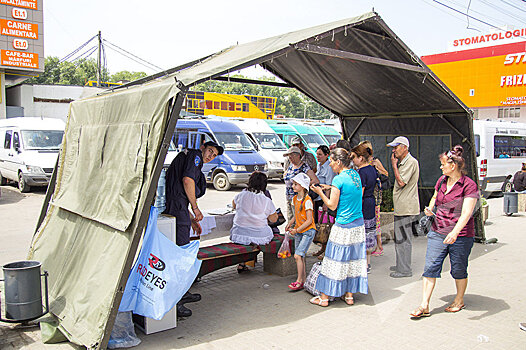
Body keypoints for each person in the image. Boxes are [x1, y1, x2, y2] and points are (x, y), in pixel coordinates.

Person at [410, 145, 478, 318]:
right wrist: (430, 207)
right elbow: (435, 196)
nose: (440, 167)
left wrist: (454, 232)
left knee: (458, 269)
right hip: (437, 231)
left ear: (453, 165)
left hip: (461, 235)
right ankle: (424, 304)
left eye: (443, 164)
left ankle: (459, 299)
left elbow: (467, 213)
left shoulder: (468, 185)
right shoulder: (441, 181)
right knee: (430, 267)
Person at [164, 140, 224, 317]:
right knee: (180, 254)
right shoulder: (195, 156)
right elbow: (187, 180)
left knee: (180, 250)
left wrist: (190, 218)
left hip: (177, 207)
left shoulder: (189, 157)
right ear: (203, 147)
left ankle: (182, 293)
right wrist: (195, 208)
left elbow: (180, 193)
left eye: (214, 155)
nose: (210, 156)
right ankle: (177, 301)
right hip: (176, 207)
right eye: (210, 151)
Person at [309, 148, 368, 307]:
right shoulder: (355, 175)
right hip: (358, 225)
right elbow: (350, 193)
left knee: (333, 260)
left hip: (343, 225)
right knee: (351, 260)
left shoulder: (338, 179)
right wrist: (330, 187)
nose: (330, 165)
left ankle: (324, 298)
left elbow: (331, 205)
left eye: (332, 162)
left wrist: (320, 192)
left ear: (339, 162)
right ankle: (349, 296)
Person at [230, 172, 278, 272]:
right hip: (259, 234)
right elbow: (273, 219)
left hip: (238, 233)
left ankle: (243, 262)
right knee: (267, 232)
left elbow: (234, 206)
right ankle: (248, 259)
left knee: (247, 239)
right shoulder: (266, 200)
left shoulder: (241, 195)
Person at [387, 136, 420, 278]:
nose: (394, 150)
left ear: (405, 147)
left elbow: (401, 182)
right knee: (401, 239)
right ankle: (402, 264)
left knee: (403, 240)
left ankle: (405, 269)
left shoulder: (411, 162)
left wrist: (394, 165)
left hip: (406, 207)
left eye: (396, 147)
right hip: (402, 206)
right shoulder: (404, 162)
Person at [284, 173, 317, 291]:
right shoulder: (294, 199)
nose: (293, 186)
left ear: (303, 186)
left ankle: (299, 280)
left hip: (307, 231)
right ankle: (303, 280)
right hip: (299, 230)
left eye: (295, 184)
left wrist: (296, 229)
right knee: (300, 256)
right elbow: (296, 214)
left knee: (298, 255)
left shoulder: (307, 201)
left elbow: (309, 221)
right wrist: (290, 223)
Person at [351, 143, 378, 273]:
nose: (353, 160)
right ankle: (367, 263)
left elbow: (359, 193)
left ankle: (361, 263)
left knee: (361, 233)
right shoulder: (372, 169)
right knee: (369, 232)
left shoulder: (361, 173)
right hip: (371, 202)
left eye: (354, 157)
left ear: (361, 158)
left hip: (362, 204)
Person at [359, 140, 388, 257]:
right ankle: (375, 245)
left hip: (374, 195)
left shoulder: (374, 161)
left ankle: (379, 246)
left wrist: (377, 170)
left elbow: (386, 174)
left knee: (376, 222)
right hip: (371, 195)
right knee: (372, 222)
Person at [283, 146, 319, 221]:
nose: (290, 158)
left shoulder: (304, 167)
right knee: (290, 219)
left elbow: (315, 180)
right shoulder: (290, 166)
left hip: (299, 198)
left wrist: (302, 185)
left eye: (292, 156)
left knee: (297, 220)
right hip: (289, 197)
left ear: (298, 156)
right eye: (289, 156)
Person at [313, 145, 336, 259]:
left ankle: (327, 250)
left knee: (326, 226)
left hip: (325, 199)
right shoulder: (319, 165)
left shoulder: (329, 168)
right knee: (321, 225)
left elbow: (329, 186)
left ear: (327, 155)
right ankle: (322, 248)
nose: (318, 156)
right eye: (317, 154)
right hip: (318, 198)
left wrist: (326, 202)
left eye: (320, 154)